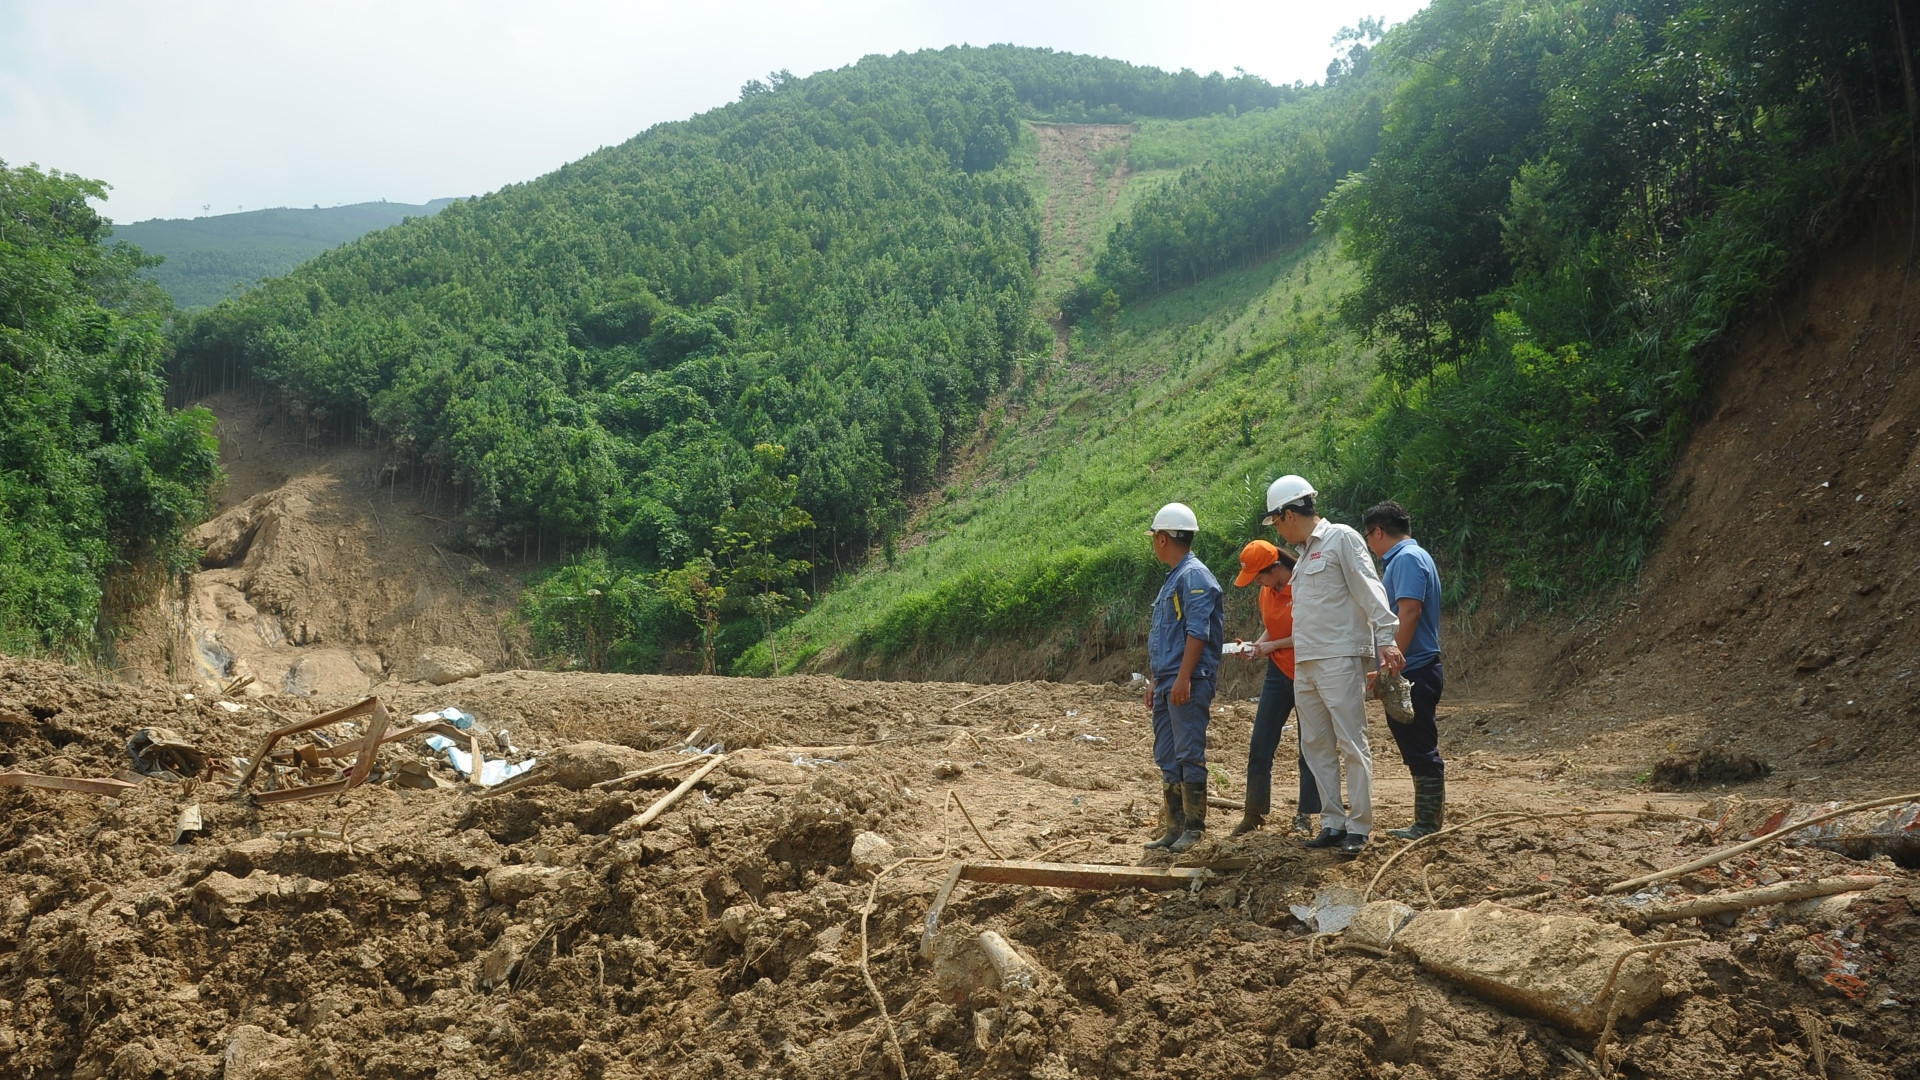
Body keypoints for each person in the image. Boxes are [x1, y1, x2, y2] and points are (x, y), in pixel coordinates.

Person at [1263, 475, 1403, 856]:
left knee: (1351, 742)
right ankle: (1332, 821)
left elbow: (1369, 587)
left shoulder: (1341, 538)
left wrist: (1386, 637)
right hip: (1307, 662)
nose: (1277, 528)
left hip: (1338, 657)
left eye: (1276, 521)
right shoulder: (1306, 553)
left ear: (1288, 514)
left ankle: (1359, 825)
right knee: (1315, 744)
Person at [1142, 502, 1224, 854]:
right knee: (1167, 753)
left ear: (1163, 538)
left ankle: (1194, 827)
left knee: (1189, 751)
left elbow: (1197, 632)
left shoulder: (1193, 576)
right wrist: (1156, 680)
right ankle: (1174, 827)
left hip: (1185, 679)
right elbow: (1169, 636)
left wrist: (1183, 678)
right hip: (1168, 679)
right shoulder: (1176, 577)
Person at [1361, 500, 1447, 840]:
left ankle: (1427, 825)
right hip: (1416, 665)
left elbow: (1409, 612)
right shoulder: (1412, 557)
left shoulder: (1407, 560)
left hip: (1416, 667)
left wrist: (1389, 666)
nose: (1370, 544)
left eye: (1369, 536)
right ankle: (1426, 822)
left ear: (1378, 532)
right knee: (1416, 744)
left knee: (1420, 746)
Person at [1228, 539, 1321, 836]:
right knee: (1260, 744)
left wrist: (1270, 646)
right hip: (1277, 673)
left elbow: (1306, 632)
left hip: (1308, 671)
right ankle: (1253, 813)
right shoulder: (1267, 593)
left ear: (1276, 568)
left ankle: (1305, 814)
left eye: (1259, 576)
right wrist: (1258, 645)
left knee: (1309, 748)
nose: (1257, 583)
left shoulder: (1304, 586)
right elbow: (1275, 627)